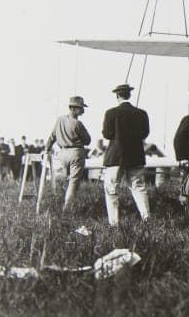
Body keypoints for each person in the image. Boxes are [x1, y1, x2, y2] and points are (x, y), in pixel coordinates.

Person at [101, 83, 151, 226]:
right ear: (129, 95)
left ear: (117, 96)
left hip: (115, 157)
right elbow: (144, 134)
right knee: (139, 188)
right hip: (136, 156)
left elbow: (107, 134)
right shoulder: (142, 113)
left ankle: (114, 224)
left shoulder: (110, 113)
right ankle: (146, 219)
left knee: (111, 190)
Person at [45, 95, 92, 211]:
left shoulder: (60, 119)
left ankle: (58, 201)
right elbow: (88, 140)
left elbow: (52, 136)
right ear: (74, 109)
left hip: (62, 154)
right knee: (73, 182)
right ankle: (67, 208)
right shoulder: (77, 124)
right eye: (81, 108)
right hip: (76, 153)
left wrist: (47, 149)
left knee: (64, 179)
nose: (83, 110)